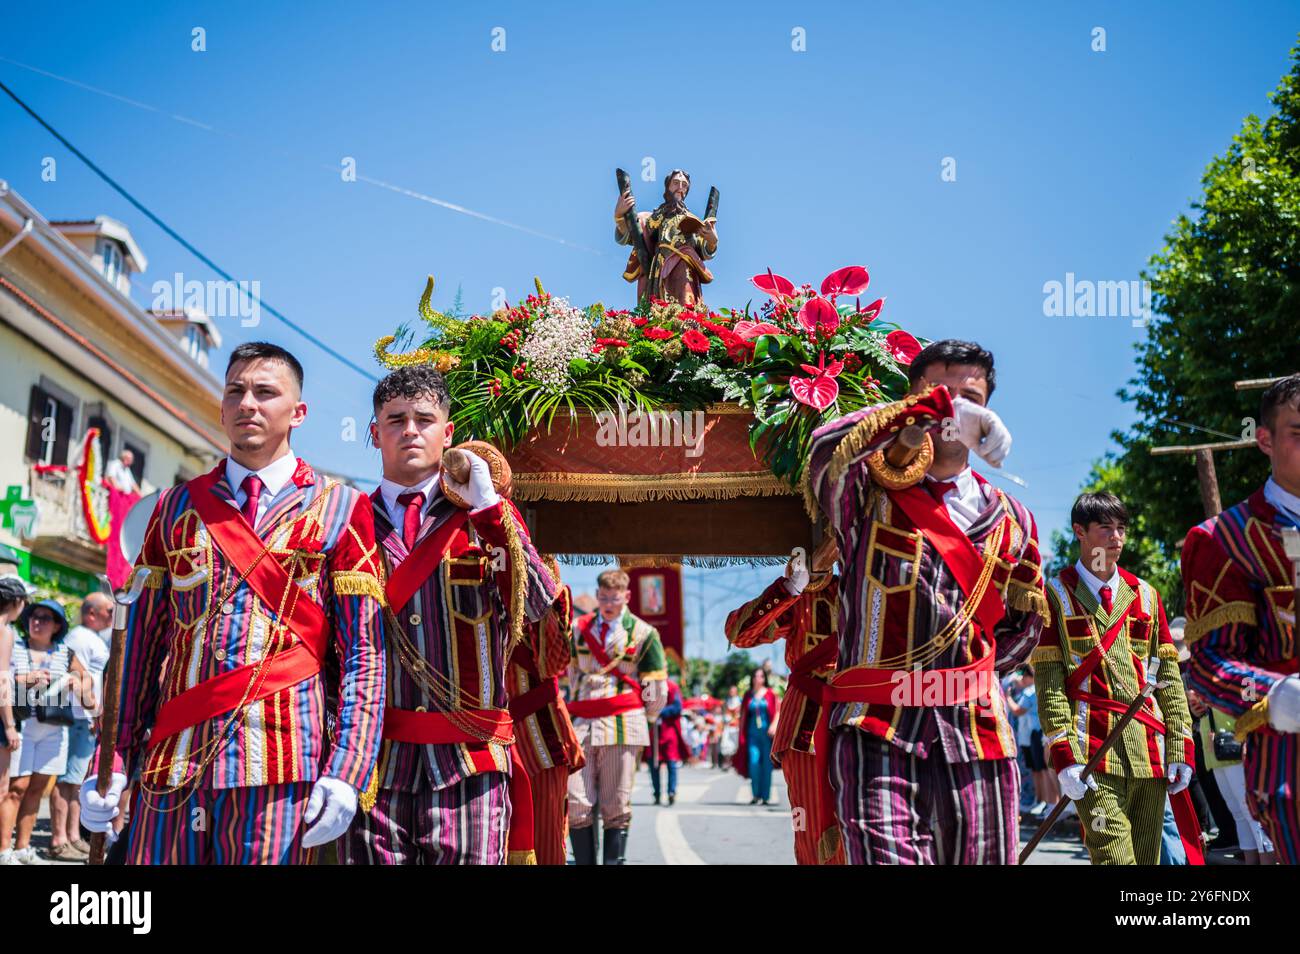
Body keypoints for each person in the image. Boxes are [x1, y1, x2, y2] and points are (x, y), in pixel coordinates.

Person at [78, 341, 386, 865]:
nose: (248, 403)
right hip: (172, 763)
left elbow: (365, 655)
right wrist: (110, 761)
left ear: (299, 412)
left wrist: (347, 770)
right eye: (235, 391)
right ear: (221, 407)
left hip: (284, 765)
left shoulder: (341, 508)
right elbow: (139, 649)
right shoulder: (173, 508)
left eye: (266, 392)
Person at [805, 339, 1048, 865]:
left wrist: (961, 676)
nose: (956, 407)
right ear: (910, 400)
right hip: (876, 725)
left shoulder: (1013, 517)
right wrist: (925, 413)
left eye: (971, 398)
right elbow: (825, 453)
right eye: (939, 392)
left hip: (977, 731)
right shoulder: (868, 494)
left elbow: (1026, 627)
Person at [343, 366, 557, 865]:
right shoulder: (348, 520)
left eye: (424, 418)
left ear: (449, 432)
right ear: (375, 433)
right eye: (395, 420)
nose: (410, 431)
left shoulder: (487, 518)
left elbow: (540, 604)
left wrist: (489, 510)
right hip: (377, 768)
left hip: (469, 765)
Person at [1033, 492, 1198, 864]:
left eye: (1121, 528)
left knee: (1147, 860)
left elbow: (1168, 677)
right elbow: (1049, 682)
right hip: (1090, 752)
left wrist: (1180, 747)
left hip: (1148, 750)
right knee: (1114, 859)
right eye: (1105, 528)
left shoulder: (1147, 595)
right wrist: (1063, 754)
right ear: (1079, 532)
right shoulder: (1054, 595)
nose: (1116, 538)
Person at [1183, 373, 1300, 864]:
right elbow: (1210, 663)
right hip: (1291, 770)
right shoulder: (1223, 539)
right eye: (1299, 431)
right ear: (1265, 439)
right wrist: (1274, 696)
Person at [726, 535, 844, 864]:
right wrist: (791, 587)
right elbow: (739, 633)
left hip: (862, 716)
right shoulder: (795, 601)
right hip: (807, 722)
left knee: (865, 823)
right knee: (808, 825)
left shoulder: (860, 589)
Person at [567, 568, 668, 865]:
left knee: (615, 804)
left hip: (624, 723)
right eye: (604, 597)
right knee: (576, 803)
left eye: (615, 597)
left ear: (626, 596)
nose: (609, 603)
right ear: (597, 595)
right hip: (582, 723)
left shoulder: (644, 633)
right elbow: (572, 673)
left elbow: (655, 685)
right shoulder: (577, 628)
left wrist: (647, 717)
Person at [1, 600, 95, 864]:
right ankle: (4, 848)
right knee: (15, 788)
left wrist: (79, 685)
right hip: (22, 725)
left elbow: (88, 692)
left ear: (57, 625)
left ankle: (23, 847)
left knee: (37, 788)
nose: (36, 621)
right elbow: (2, 680)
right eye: (33, 616)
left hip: (54, 730)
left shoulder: (65, 653)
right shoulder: (15, 645)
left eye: (44, 617)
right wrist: (26, 679)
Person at [506, 557, 584, 866]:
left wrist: (545, 600)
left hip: (538, 736)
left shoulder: (546, 590)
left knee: (546, 837)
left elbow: (553, 664)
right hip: (480, 733)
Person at [47, 592, 112, 862]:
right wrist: (91, 706)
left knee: (77, 781)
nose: (112, 613)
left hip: (86, 717)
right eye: (109, 609)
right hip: (78, 716)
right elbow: (75, 675)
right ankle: (59, 838)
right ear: (91, 613)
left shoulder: (91, 638)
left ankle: (72, 835)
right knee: (67, 780)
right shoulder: (78, 637)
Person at [613, 169, 718, 307]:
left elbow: (704, 249)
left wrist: (712, 240)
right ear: (667, 186)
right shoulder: (655, 217)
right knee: (658, 308)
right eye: (676, 183)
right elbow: (633, 236)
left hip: (685, 268)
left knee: (685, 309)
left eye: (684, 185)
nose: (680, 188)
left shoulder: (692, 220)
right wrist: (620, 217)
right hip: (659, 269)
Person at [0, 576, 34, 825]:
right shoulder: (5, 631)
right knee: (1, 787)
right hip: (1, 717)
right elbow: (2, 681)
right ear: (17, 602)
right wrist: (10, 726)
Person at [1007, 665, 1057, 815]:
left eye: (1024, 677)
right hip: (1032, 734)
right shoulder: (1031, 690)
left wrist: (1007, 696)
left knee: (1042, 769)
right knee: (1038, 770)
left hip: (1035, 733)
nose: (1022, 679)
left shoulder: (1030, 692)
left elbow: (1017, 711)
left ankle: (1048, 802)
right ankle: (1043, 802)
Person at [734, 668, 779, 807]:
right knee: (753, 763)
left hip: (767, 735)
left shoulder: (771, 694)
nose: (757, 678)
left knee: (767, 765)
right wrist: (740, 734)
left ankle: (765, 797)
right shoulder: (748, 695)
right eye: (755, 676)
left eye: (760, 676)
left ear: (764, 678)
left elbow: (778, 711)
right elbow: (743, 716)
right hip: (752, 735)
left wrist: (774, 725)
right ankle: (755, 795)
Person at [648, 678, 683, 806]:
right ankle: (656, 793)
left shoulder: (672, 686)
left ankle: (671, 792)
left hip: (668, 731)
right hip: (654, 732)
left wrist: (660, 711)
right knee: (653, 764)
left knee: (671, 762)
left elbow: (677, 707)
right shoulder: (649, 685)